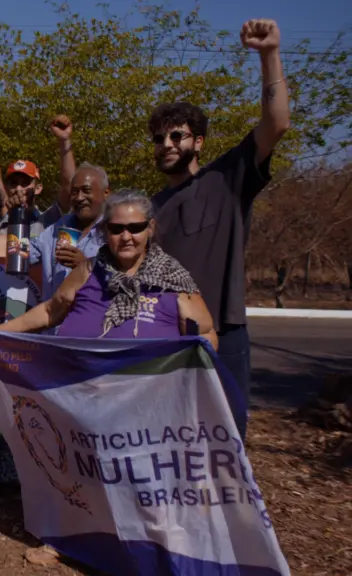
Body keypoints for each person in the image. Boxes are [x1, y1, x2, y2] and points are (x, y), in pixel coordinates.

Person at [149, 19, 290, 439]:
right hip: (163, 337)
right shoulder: (149, 208)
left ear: (198, 142)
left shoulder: (226, 179)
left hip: (223, 335)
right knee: (168, 439)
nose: (167, 144)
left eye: (177, 135)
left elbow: (276, 123)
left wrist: (269, 55)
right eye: (159, 138)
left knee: (224, 440)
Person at [0, 191, 218, 350]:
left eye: (135, 228)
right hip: (80, 393)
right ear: (104, 231)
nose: (126, 237)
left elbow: (206, 336)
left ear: (150, 228)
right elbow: (49, 311)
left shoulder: (173, 281)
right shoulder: (87, 270)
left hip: (146, 404)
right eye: (116, 229)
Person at [30, 163, 110, 302]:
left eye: (86, 190)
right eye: (74, 192)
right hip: (50, 314)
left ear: (106, 194)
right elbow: (25, 253)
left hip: (91, 314)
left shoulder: (116, 232)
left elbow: (123, 282)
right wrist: (17, 213)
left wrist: (86, 266)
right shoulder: (59, 226)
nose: (79, 197)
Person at [0, 115, 78, 236]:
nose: (18, 189)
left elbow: (69, 185)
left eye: (25, 183)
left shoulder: (47, 220)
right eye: (13, 183)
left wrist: (64, 141)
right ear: (6, 188)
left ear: (38, 188)